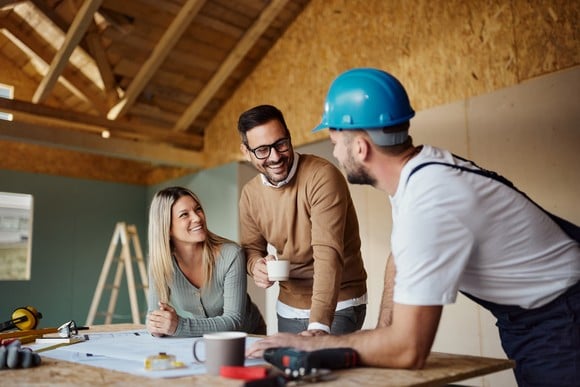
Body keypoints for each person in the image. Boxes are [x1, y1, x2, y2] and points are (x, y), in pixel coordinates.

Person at [247, 68, 580, 386]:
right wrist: (380, 333)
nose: (334, 150)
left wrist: (312, 344)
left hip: (562, 317)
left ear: (360, 148)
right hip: (535, 315)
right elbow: (398, 258)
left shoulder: (430, 200)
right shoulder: (418, 173)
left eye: (334, 140)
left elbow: (409, 349)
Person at [237, 104, 368, 336]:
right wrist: (255, 266)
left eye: (281, 144)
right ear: (246, 152)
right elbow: (251, 249)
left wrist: (318, 325)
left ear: (289, 137)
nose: (275, 157)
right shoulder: (250, 194)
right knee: (291, 371)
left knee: (325, 370)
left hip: (339, 303)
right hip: (289, 306)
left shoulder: (321, 176)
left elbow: (328, 253)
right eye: (262, 150)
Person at [146, 186, 266, 337]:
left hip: (249, 336)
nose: (197, 218)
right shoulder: (160, 263)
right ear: (167, 227)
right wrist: (158, 326)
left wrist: (179, 325)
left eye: (198, 209)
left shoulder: (231, 255)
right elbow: (153, 315)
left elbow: (234, 321)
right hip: (204, 338)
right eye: (184, 215)